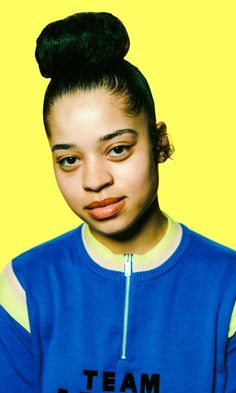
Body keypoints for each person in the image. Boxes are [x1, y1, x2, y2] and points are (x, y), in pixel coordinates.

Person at [0, 11, 235, 393]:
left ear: (159, 141)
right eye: (69, 160)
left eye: (118, 149)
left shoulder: (229, 286)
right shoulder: (23, 286)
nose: (95, 181)